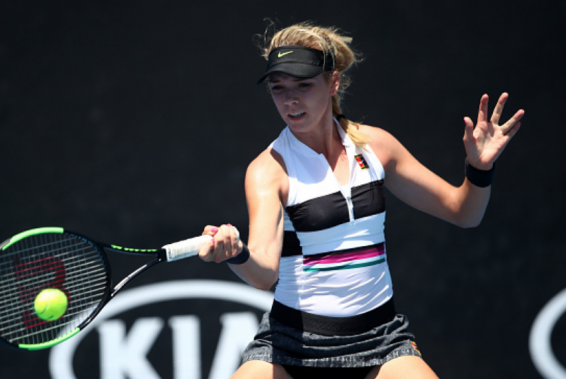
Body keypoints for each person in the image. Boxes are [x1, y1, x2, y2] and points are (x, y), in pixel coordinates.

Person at [198, 22, 524, 379]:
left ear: (333, 83)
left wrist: (479, 169)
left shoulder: (375, 147)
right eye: (279, 89)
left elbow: (465, 213)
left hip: (380, 341)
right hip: (290, 347)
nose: (290, 100)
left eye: (304, 85)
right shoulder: (267, 170)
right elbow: (264, 273)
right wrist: (236, 253)